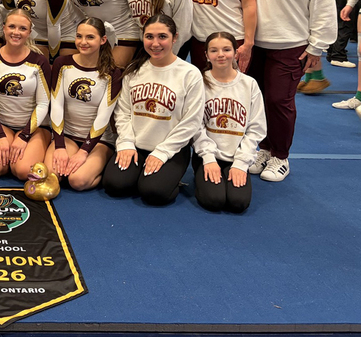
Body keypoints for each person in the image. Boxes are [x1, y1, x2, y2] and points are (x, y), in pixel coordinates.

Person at [244, 0, 336, 182]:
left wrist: (317, 45)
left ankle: (281, 156)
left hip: (290, 43)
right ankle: (264, 148)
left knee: (279, 101)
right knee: (256, 100)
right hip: (252, 42)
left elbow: (323, 2)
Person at [103, 14, 204, 205]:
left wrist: (162, 152)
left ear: (175, 38)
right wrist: (126, 144)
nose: (155, 43)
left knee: (154, 192)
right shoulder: (134, 70)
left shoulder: (190, 74)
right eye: (149, 37)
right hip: (136, 145)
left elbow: (191, 121)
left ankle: (165, 177)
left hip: (171, 148)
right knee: (115, 185)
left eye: (162, 37)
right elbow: (123, 113)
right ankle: (141, 173)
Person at [192, 32, 266, 210]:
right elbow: (195, 126)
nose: (220, 55)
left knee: (238, 203)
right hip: (207, 154)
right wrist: (208, 159)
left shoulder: (249, 84)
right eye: (214, 50)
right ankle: (201, 174)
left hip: (237, 155)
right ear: (206, 55)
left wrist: (241, 164)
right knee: (213, 201)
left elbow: (256, 128)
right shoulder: (199, 83)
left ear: (235, 52)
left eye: (226, 49)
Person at [46, 18, 122, 191]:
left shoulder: (112, 73)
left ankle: (102, 167)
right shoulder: (62, 64)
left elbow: (104, 115)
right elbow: (56, 105)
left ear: (103, 40)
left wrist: (84, 151)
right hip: (68, 136)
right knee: (53, 175)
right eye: (79, 36)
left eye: (90, 37)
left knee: (77, 181)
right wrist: (59, 146)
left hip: (99, 140)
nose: (83, 42)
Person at [0, 9, 52, 180]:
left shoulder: (39, 61)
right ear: (4, 28)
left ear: (29, 32)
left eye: (22, 28)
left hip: (33, 127)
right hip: (1, 124)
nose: (16, 32)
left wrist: (24, 136)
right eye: (12, 26)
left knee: (22, 171)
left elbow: (43, 104)